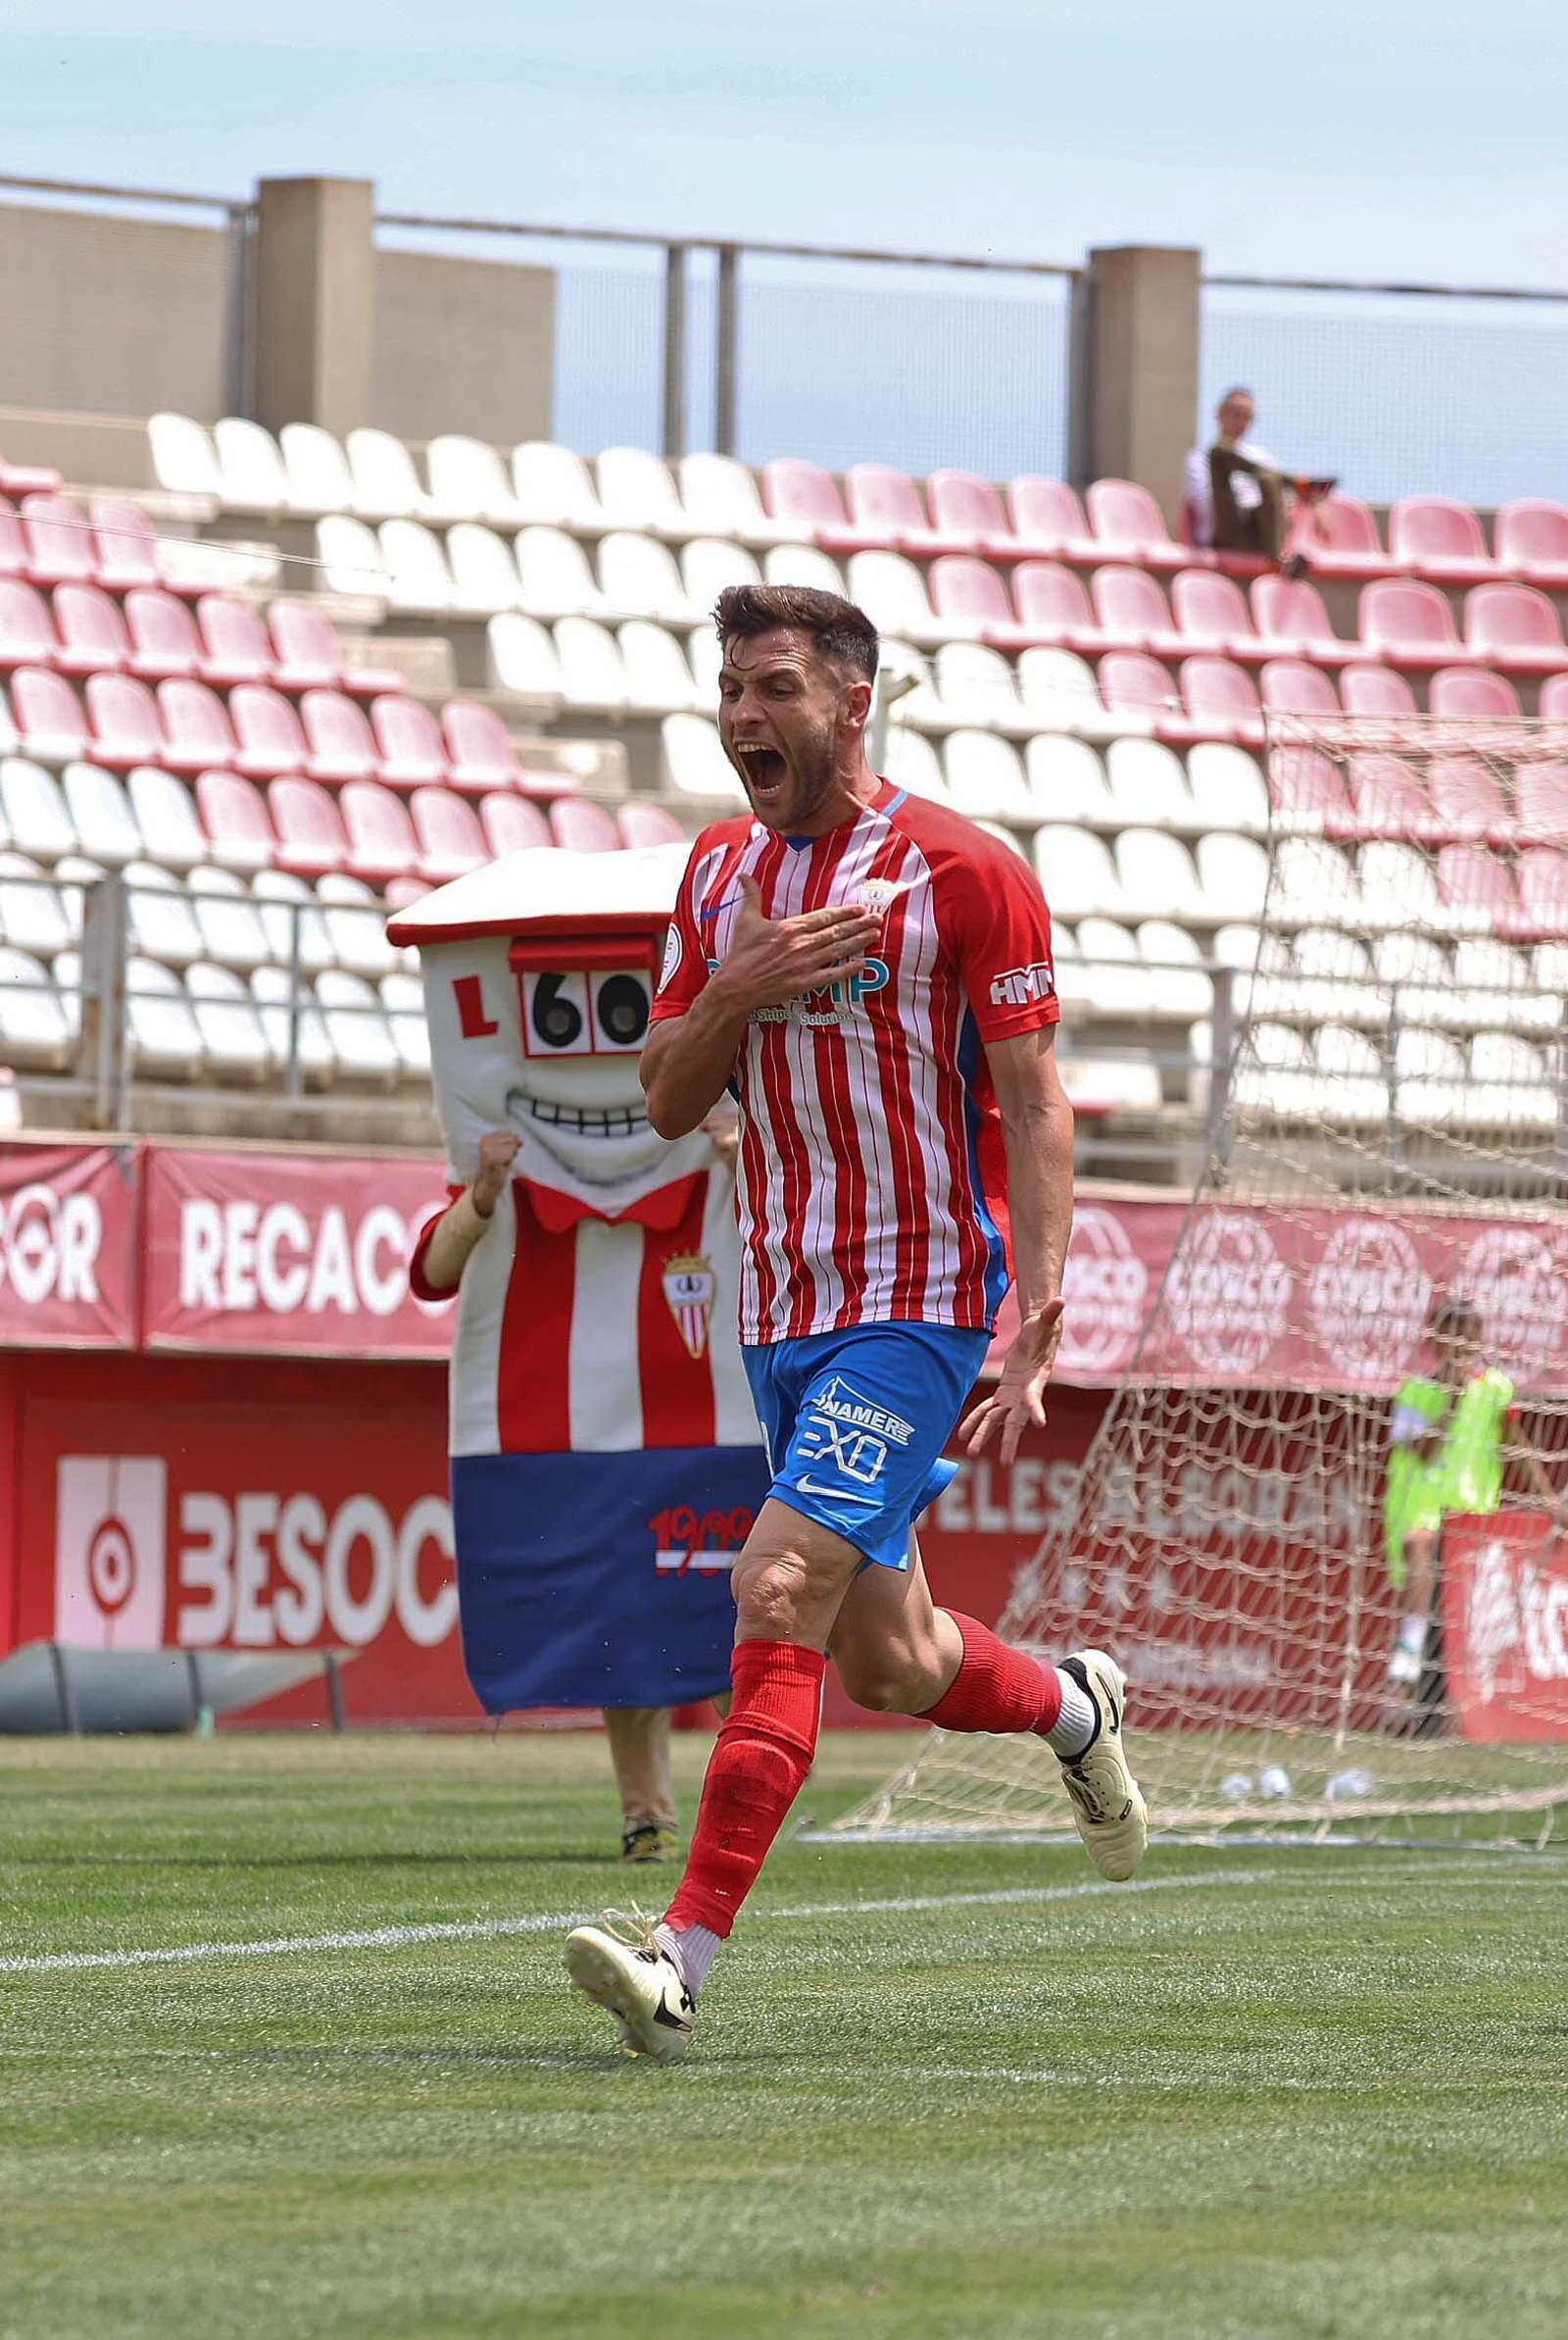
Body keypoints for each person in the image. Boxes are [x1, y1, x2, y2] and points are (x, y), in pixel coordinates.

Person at [563, 582, 1147, 2063]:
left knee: (774, 1585)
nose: (743, 715)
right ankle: (1074, 1710)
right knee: (893, 1660)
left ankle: (679, 1958)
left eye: (774, 687)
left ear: (850, 700)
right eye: (730, 688)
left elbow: (1035, 1101)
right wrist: (740, 986)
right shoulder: (715, 873)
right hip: (781, 1307)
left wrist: (1041, 1298)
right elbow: (666, 1098)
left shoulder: (964, 870)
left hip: (920, 1302)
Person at [413, 1113, 746, 1864]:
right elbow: (431, 1271)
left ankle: (758, 1787)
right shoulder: (509, 1162)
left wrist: (740, 1163)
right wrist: (484, 1192)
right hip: (589, 1438)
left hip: (711, 1424)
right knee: (623, 1623)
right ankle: (646, 1818)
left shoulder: (724, 1147)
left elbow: (795, 1239)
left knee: (737, 1616)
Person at [1384, 1297, 1567, 1735]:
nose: (1461, 1345)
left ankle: (1455, 1710)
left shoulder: (1496, 1388)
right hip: (1421, 1508)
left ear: (1480, 1341)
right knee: (1422, 1575)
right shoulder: (1414, 1391)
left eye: (1469, 1336)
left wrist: (1549, 1502)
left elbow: (1517, 1444)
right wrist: (1450, 1400)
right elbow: (1420, 1451)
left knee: (1462, 1616)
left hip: (1473, 1518)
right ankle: (1403, 1674)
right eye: (1451, 1336)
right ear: (1435, 1342)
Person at [1183, 385, 1334, 565]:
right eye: (1236, 413)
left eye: (1247, 416)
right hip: (1225, 533)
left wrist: (1317, 502)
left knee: (1269, 479)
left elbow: (1285, 499)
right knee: (1219, 454)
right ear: (1220, 413)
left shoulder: (1260, 456)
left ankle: (1276, 554)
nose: (1241, 421)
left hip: (1260, 533)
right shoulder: (1199, 458)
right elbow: (1205, 502)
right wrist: (1249, 497)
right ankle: (1293, 481)